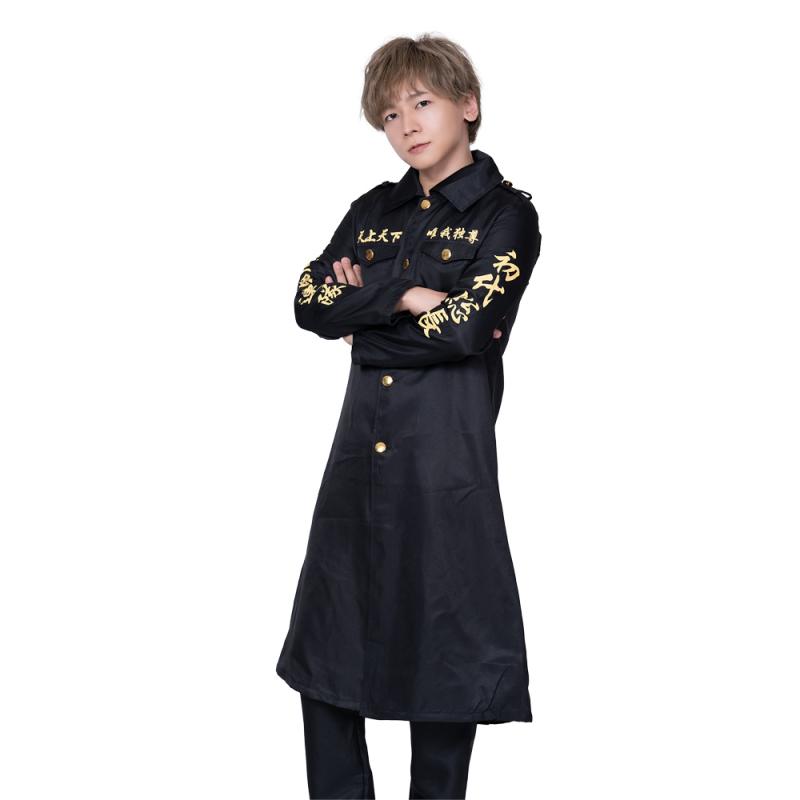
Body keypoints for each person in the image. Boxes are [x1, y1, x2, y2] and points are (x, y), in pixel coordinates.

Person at [276, 33, 542, 799]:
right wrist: (404, 293)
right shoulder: (372, 210)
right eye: (391, 114)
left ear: (468, 104)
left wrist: (367, 313)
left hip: (444, 469)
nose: (407, 125)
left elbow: (468, 329)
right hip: (357, 462)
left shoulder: (507, 216)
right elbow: (310, 302)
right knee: (329, 648)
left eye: (422, 103)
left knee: (445, 653)